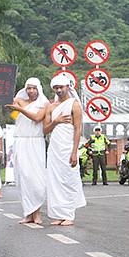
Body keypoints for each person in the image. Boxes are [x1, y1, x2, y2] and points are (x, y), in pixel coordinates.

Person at [6, 77, 50, 225]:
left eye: (34, 88)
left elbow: (38, 118)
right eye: (28, 88)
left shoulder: (44, 104)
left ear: (39, 89)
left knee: (35, 178)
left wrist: (19, 109)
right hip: (20, 141)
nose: (31, 91)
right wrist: (13, 107)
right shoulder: (20, 101)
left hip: (35, 142)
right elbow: (12, 113)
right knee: (23, 177)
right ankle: (28, 213)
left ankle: (37, 213)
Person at [44, 73, 86, 225]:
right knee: (54, 180)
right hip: (54, 148)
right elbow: (45, 130)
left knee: (68, 178)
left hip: (68, 147)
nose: (58, 90)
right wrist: (56, 121)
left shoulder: (74, 104)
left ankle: (69, 214)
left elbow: (77, 129)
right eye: (55, 88)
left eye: (61, 87)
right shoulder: (51, 106)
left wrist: (75, 151)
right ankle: (58, 214)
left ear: (67, 87)